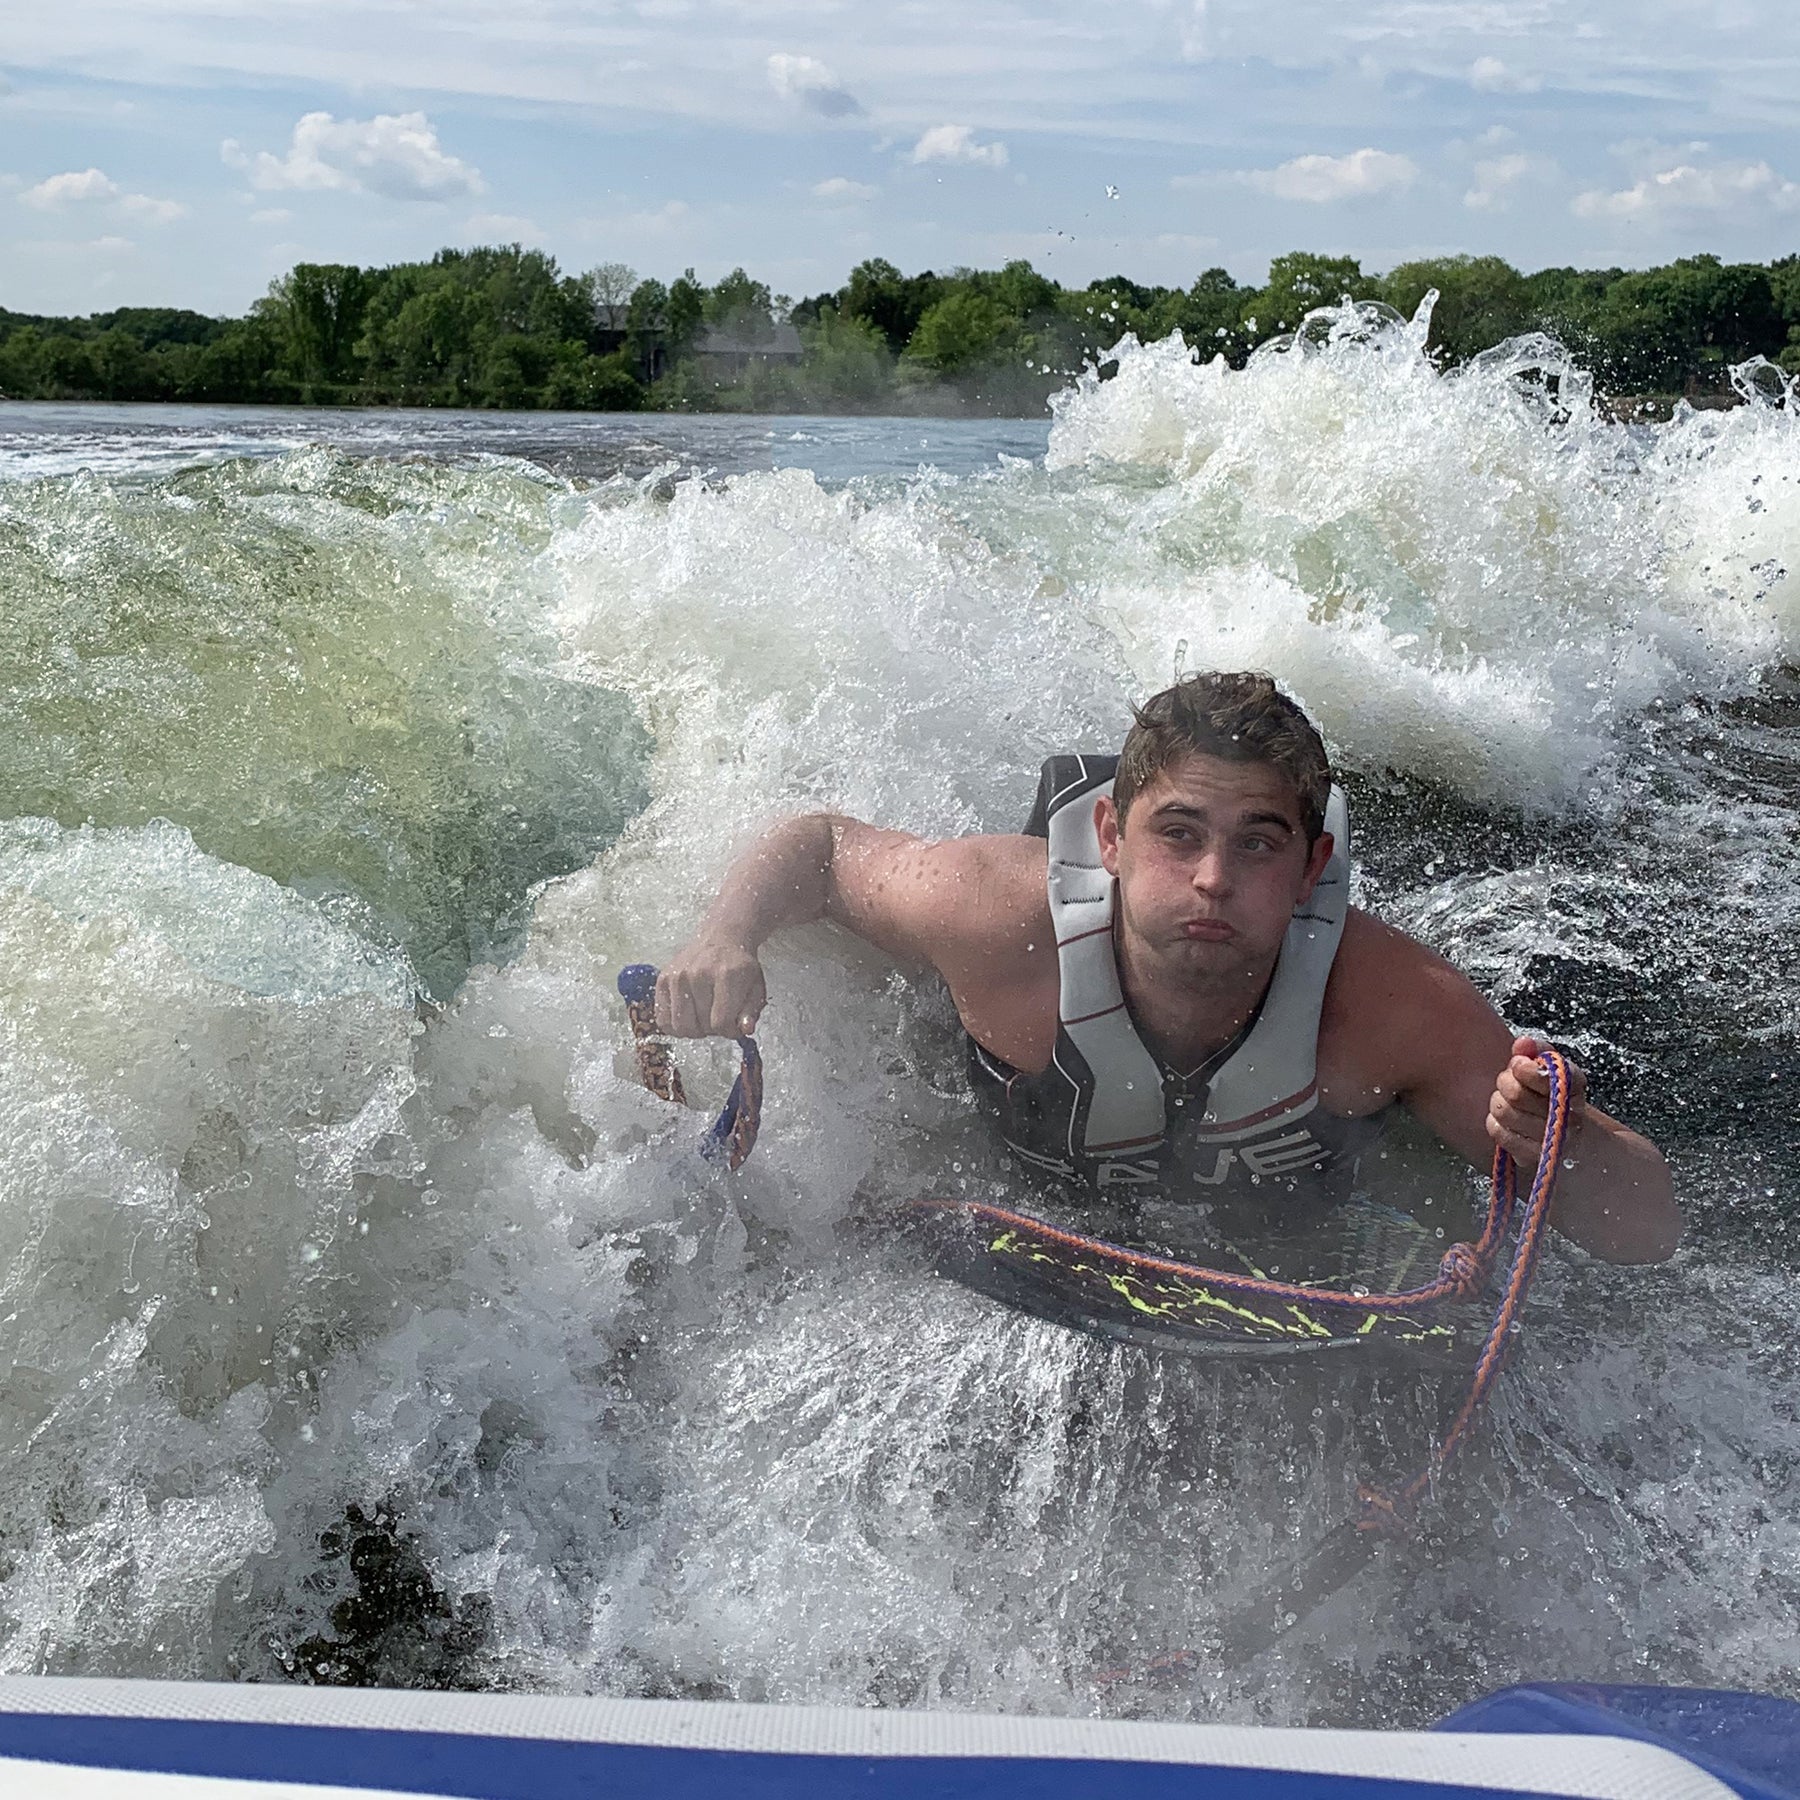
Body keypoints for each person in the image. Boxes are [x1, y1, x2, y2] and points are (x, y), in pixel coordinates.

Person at [655, 672, 1681, 1264]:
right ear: (1109, 837)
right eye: (1178, 835)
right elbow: (822, 848)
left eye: (1259, 844)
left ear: (1313, 865)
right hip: (1015, 1109)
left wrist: (1565, 1140)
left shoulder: (1391, 1006)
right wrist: (725, 936)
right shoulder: (994, 917)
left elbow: (1646, 1232)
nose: (1213, 881)